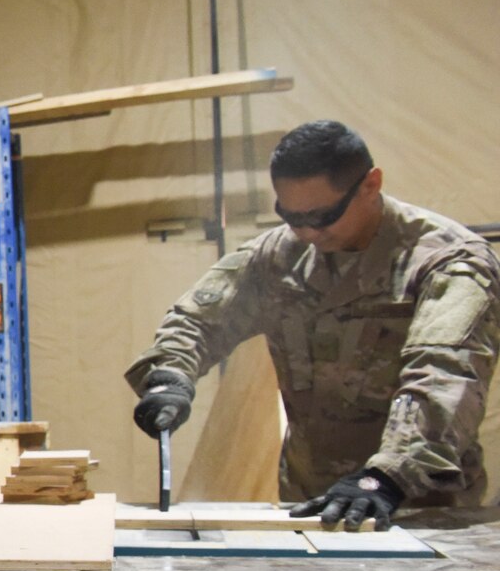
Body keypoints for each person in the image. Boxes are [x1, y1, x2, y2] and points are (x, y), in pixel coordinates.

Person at [128, 119, 500, 527]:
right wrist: (169, 378)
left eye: (323, 216)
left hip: (413, 502)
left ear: (370, 184)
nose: (306, 232)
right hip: (308, 501)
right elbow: (198, 321)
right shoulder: (279, 256)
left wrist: (385, 477)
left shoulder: (446, 261)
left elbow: (444, 376)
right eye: (290, 215)